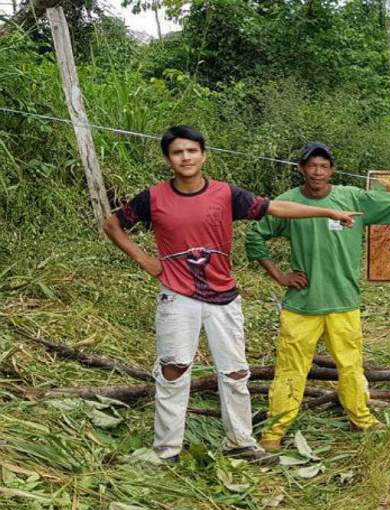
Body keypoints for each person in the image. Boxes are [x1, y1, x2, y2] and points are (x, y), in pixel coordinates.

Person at [103, 126, 361, 464]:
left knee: (236, 372)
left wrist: (327, 211)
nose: (186, 157)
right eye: (178, 152)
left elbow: (275, 208)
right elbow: (112, 224)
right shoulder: (153, 198)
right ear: (169, 159)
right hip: (177, 297)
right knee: (174, 369)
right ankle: (166, 450)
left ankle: (240, 442)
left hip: (223, 296)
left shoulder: (226, 195)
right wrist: (146, 260)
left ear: (203, 155)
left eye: (192, 151)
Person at [246, 143, 390, 451]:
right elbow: (255, 236)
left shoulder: (352, 198)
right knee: (290, 369)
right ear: (301, 169)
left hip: (344, 303)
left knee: (351, 366)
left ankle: (361, 419)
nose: (317, 172)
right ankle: (274, 431)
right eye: (311, 166)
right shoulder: (287, 203)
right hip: (302, 306)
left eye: (323, 166)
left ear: (331, 170)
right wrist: (280, 276)